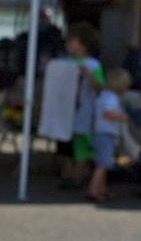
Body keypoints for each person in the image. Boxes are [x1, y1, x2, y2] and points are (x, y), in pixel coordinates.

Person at [56, 21, 106, 189]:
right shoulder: (65, 62)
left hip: (84, 112)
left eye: (72, 41)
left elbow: (100, 88)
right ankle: (68, 175)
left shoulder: (93, 65)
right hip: (65, 112)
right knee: (63, 145)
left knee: (82, 145)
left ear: (83, 44)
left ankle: (77, 177)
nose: (68, 44)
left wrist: (89, 75)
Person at [86, 66, 131, 202]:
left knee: (103, 163)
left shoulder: (104, 95)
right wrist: (122, 117)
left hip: (101, 133)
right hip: (105, 133)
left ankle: (102, 188)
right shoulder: (111, 98)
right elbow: (107, 113)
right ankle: (93, 189)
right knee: (103, 164)